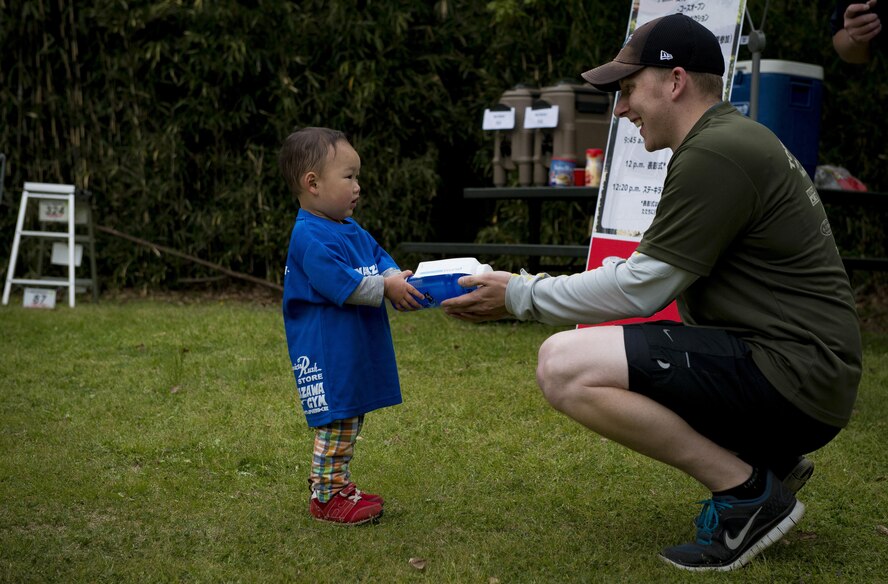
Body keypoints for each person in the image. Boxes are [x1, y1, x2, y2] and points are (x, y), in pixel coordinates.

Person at [442, 14, 862, 571]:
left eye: (627, 89)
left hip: (797, 376)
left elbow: (643, 286)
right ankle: (767, 459)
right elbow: (655, 276)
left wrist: (520, 294)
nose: (620, 109)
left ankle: (747, 494)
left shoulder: (717, 151)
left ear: (675, 80)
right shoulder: (726, 141)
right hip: (805, 372)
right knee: (623, 351)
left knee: (564, 364)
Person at [279, 127, 423, 525]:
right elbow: (347, 285)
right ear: (313, 184)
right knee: (338, 419)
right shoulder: (309, 235)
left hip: (352, 346)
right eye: (349, 177)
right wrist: (386, 287)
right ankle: (326, 496)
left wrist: (395, 276)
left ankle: (336, 484)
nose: (358, 186)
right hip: (329, 350)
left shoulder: (348, 228)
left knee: (350, 417)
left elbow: (378, 257)